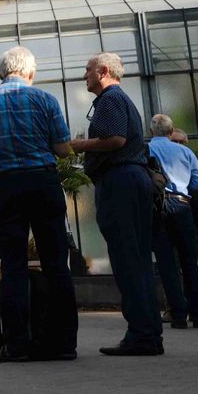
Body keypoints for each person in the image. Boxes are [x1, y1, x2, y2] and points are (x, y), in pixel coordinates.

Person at [0, 47, 78, 363]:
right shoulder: (45, 100)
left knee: (12, 265)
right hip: (43, 182)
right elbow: (63, 149)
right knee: (56, 262)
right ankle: (64, 343)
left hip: (6, 185)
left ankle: (17, 344)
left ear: (1, 73)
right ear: (30, 72)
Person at [71, 52, 164, 356]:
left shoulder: (110, 99)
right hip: (130, 180)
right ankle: (147, 331)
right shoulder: (119, 99)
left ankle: (142, 335)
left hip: (120, 182)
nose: (84, 76)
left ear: (104, 71)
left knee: (127, 259)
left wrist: (77, 145)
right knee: (135, 258)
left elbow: (115, 140)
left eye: (88, 70)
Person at [148, 114, 198, 330]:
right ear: (171, 131)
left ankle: (178, 315)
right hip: (182, 206)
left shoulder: (145, 151)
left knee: (167, 264)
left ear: (151, 132)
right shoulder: (185, 152)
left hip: (157, 208)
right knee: (189, 262)